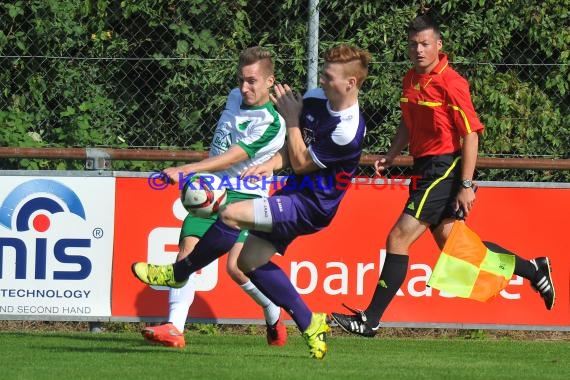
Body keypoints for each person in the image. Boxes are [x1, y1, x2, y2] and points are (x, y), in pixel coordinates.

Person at [132, 44, 371, 359]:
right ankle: (309, 322)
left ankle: (179, 272)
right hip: (292, 194)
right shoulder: (315, 97)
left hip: (313, 205)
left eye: (328, 76)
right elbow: (293, 153)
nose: (321, 81)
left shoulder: (348, 129)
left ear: (350, 83)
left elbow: (301, 161)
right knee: (248, 262)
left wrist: (292, 119)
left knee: (231, 215)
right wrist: (271, 163)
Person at [331, 14, 555, 338]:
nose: (419, 49)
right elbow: (408, 122)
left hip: (444, 168)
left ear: (438, 45)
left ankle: (371, 319)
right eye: (413, 44)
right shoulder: (410, 79)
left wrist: (465, 184)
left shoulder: (452, 82)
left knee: (397, 237)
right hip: (424, 168)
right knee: (459, 246)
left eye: (425, 43)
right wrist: (393, 154)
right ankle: (533, 269)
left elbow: (472, 134)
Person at [140, 46, 287, 348]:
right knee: (187, 253)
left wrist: (187, 169)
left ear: (270, 81)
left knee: (237, 268)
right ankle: (174, 328)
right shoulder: (235, 97)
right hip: (212, 191)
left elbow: (234, 156)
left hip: (247, 197)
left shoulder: (272, 124)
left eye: (252, 81)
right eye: (241, 80)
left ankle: (273, 312)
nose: (244, 87)